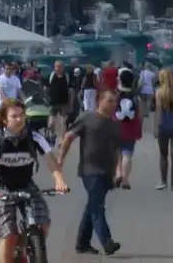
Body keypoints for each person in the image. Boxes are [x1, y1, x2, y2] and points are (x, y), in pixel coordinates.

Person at [0, 99, 69, 263]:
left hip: (26, 185)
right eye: (14, 116)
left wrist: (59, 180)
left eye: (22, 115)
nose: (19, 119)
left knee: (42, 223)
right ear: (4, 119)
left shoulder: (34, 137)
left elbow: (51, 160)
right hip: (3, 188)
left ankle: (26, 246)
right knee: (8, 234)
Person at [59, 89, 123, 255]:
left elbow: (117, 151)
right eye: (110, 100)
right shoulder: (87, 118)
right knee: (97, 207)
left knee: (92, 206)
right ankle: (107, 242)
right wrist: (60, 160)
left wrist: (119, 171)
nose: (113, 104)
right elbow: (69, 137)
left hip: (106, 171)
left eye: (115, 101)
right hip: (89, 170)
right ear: (99, 101)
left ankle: (82, 243)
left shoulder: (114, 125)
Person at [114, 66, 142, 188]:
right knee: (127, 154)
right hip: (131, 128)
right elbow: (139, 115)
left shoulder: (116, 95)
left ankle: (118, 173)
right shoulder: (136, 97)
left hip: (116, 126)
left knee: (116, 153)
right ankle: (125, 180)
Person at [48, 61, 72, 140]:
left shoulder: (66, 76)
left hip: (63, 103)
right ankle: (53, 134)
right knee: (51, 124)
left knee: (63, 122)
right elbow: (47, 87)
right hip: (53, 103)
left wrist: (70, 104)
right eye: (56, 66)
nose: (57, 68)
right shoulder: (52, 75)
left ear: (62, 67)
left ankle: (62, 139)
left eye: (59, 66)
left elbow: (70, 90)